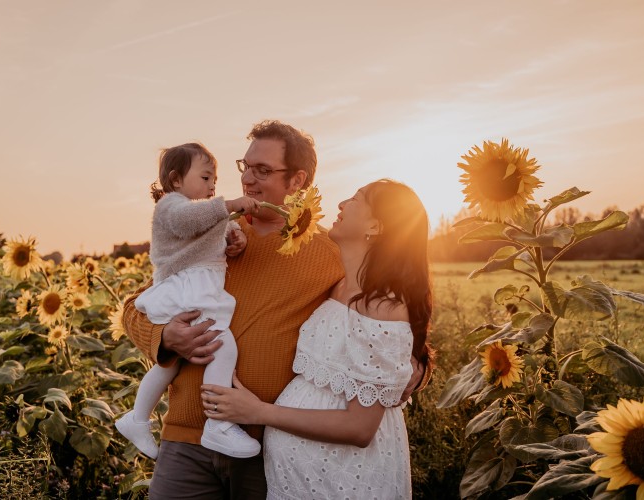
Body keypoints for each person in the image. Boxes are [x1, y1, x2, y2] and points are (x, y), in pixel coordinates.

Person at [122, 121, 428, 499]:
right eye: (245, 167)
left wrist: (418, 369)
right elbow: (136, 307)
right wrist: (166, 336)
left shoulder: (332, 254)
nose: (248, 179)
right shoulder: (213, 233)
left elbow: (387, 328)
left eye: (262, 170)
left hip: (266, 445)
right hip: (188, 438)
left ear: (297, 180)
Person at [201, 179, 434, 499]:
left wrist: (258, 412)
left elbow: (360, 428)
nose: (340, 205)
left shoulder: (382, 306)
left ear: (376, 225)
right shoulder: (337, 284)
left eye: (355, 199)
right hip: (299, 480)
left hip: (346, 479)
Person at [115, 142, 262, 459]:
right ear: (176, 180)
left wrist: (234, 238)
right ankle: (217, 424)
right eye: (206, 178)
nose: (213, 187)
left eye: (215, 181)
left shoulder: (207, 212)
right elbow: (191, 220)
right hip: (186, 289)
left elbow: (217, 228)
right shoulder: (171, 207)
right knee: (222, 344)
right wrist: (230, 205)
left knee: (171, 363)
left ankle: (137, 418)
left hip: (197, 287)